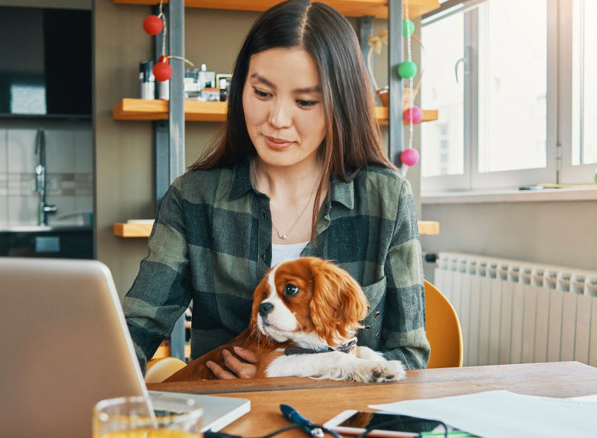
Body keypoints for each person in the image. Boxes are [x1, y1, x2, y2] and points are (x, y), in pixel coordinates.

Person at [122, 0, 429, 379]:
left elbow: (410, 357)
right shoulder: (192, 198)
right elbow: (134, 333)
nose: (277, 120)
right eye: (263, 93)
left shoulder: (388, 198)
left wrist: (289, 375)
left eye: (305, 101)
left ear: (341, 104)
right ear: (241, 91)